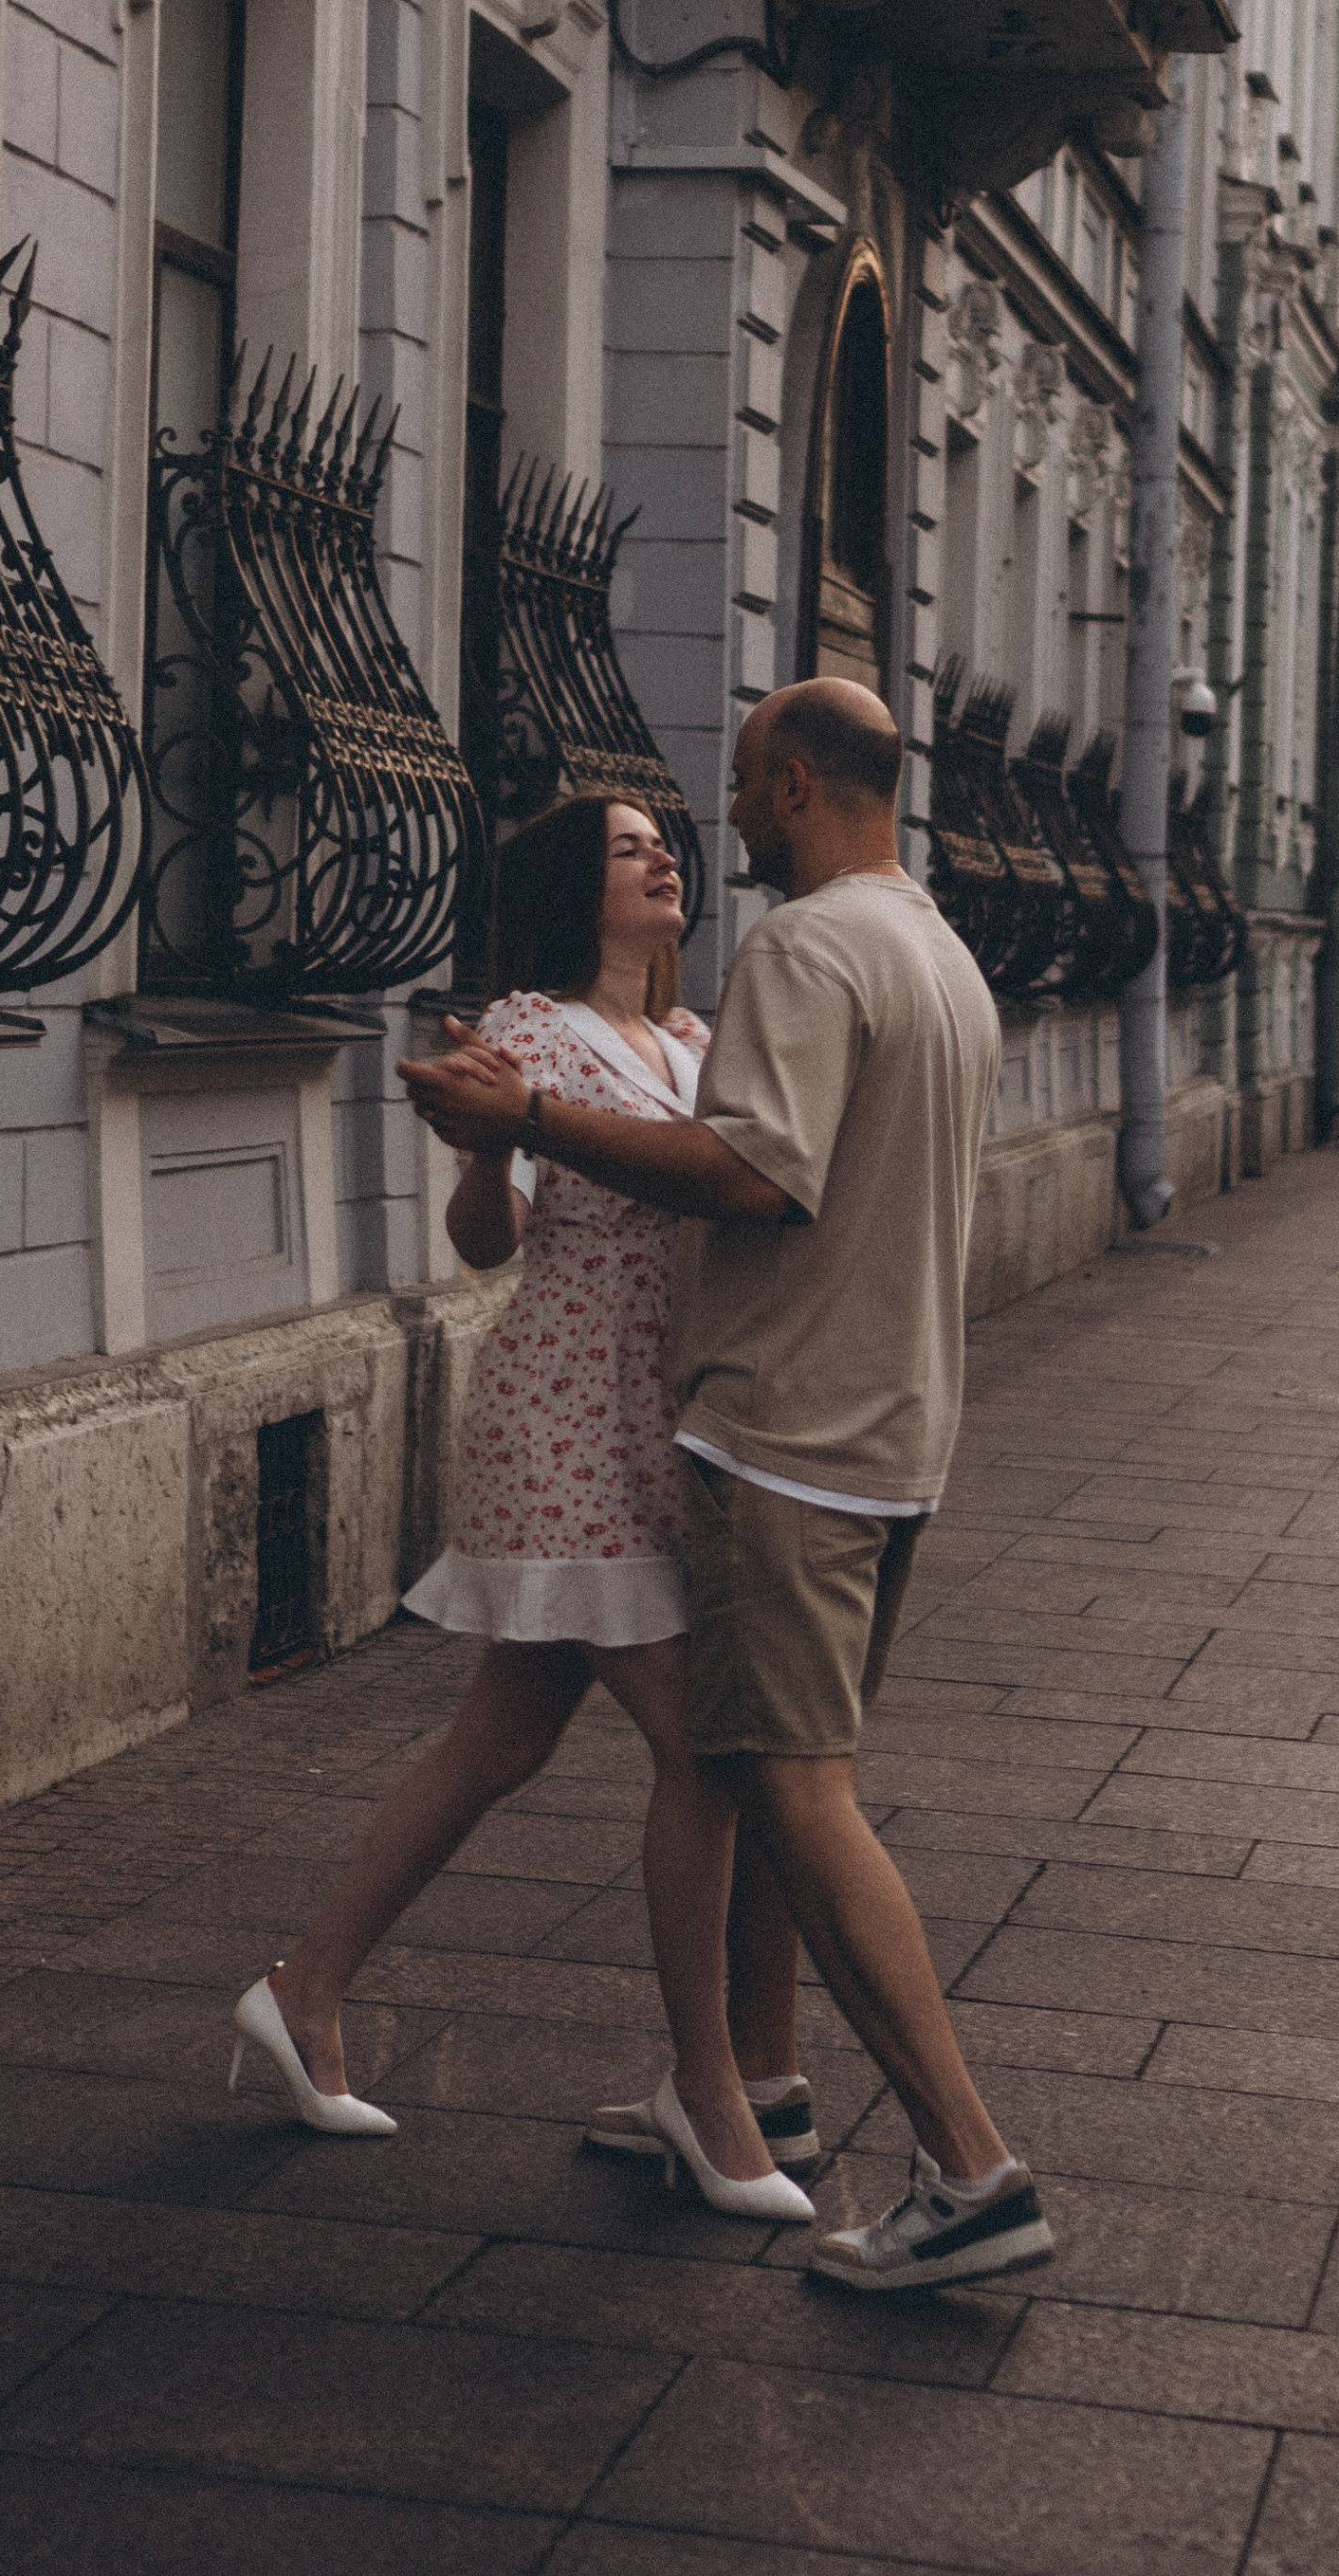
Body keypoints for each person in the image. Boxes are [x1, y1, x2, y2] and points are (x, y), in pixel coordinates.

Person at [402, 680, 1052, 2296]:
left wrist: (530, 1114)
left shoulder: (809, 951)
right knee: (766, 1770)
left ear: (809, 782)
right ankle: (753, 2083)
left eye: (752, 782)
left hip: (786, 1438)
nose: (733, 815)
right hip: (898, 1430)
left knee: (802, 1793)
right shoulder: (940, 953)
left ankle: (973, 2170)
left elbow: (761, 1175)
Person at [230, 794, 813, 2224]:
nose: (663, 857)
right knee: (708, 1750)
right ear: (576, 891)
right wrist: (491, 1151)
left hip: (659, 1419)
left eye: (664, 842)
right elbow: (489, 1245)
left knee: (498, 1739)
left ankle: (302, 1991)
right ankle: (709, 2090)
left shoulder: (691, 1042)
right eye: (629, 848)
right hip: (566, 1412)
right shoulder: (529, 1029)